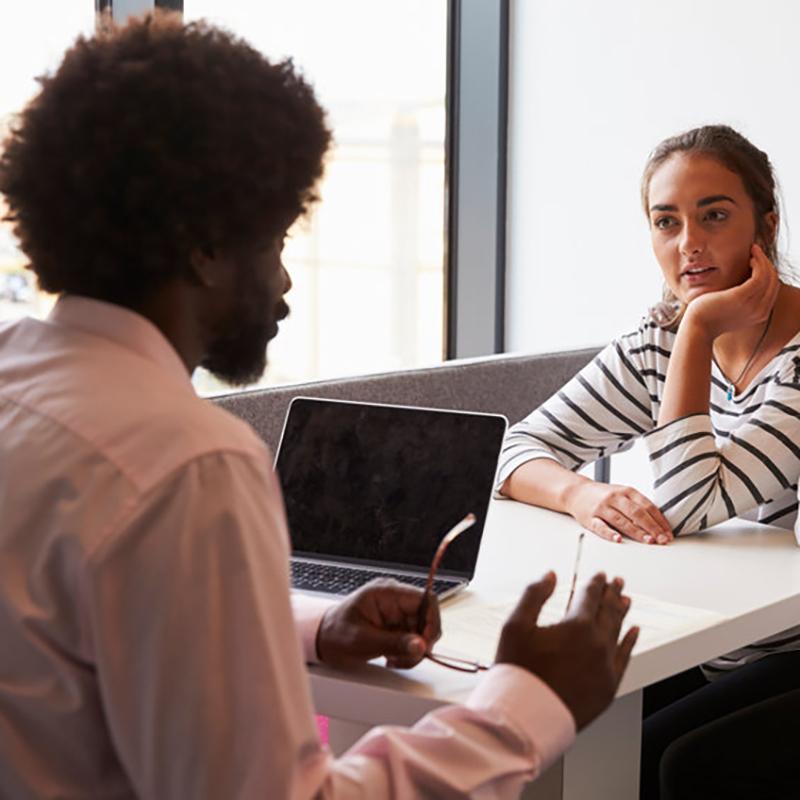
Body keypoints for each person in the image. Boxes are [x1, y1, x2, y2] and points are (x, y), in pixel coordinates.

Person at [0, 14, 638, 799]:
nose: (286, 286)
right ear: (203, 246)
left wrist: (309, 631)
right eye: (275, 242)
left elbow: (79, 655)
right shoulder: (186, 464)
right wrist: (528, 702)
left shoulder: (16, 391)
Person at [497, 124, 800, 798]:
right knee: (556, 732)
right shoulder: (654, 342)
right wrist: (582, 495)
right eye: (667, 222)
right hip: (709, 638)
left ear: (766, 225)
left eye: (714, 216)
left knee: (670, 763)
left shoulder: (738, 345)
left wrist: (696, 329)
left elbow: (691, 503)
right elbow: (513, 452)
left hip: (788, 646)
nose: (687, 242)